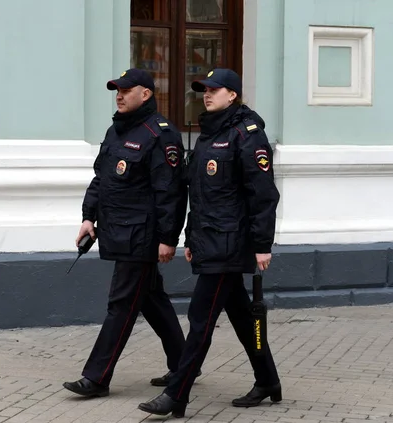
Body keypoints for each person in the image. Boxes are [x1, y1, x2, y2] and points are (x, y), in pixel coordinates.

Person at [138, 68, 282, 418]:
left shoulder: (246, 135)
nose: (207, 94)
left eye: (215, 90)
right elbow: (199, 196)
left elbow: (262, 195)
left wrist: (262, 245)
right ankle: (268, 381)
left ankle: (177, 394)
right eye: (204, 89)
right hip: (211, 241)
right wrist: (191, 237)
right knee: (244, 318)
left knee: (200, 318)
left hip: (231, 245)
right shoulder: (207, 135)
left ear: (232, 95)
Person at [62, 68, 194, 398]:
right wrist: (88, 217)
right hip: (117, 232)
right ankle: (184, 363)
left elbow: (170, 193)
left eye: (125, 90)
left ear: (145, 94)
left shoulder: (160, 135)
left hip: (142, 237)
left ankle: (96, 378)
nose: (119, 95)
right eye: (116, 90)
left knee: (120, 304)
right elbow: (101, 179)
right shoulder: (117, 130)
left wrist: (168, 238)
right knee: (151, 300)